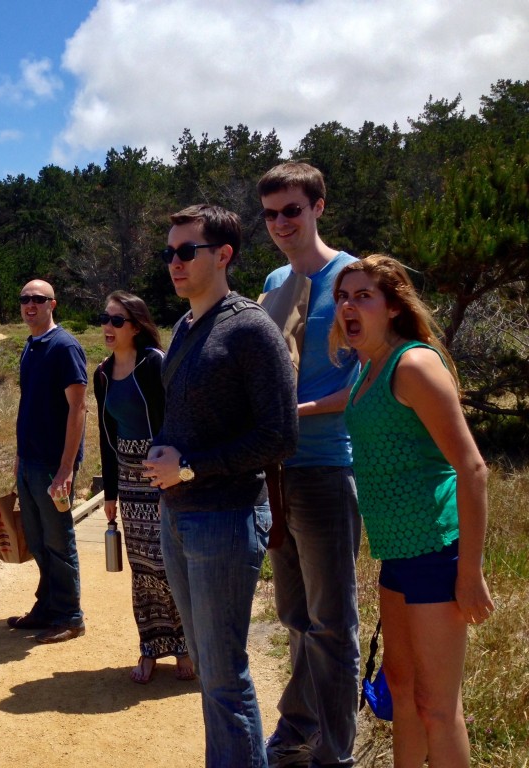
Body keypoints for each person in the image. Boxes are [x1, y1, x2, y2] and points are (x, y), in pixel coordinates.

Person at [142, 204, 298, 767]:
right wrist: (166, 451)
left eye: (187, 251)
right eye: (169, 253)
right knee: (208, 670)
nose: (174, 263)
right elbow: (186, 414)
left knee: (225, 676)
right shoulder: (185, 326)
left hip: (225, 518)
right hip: (179, 515)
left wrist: (190, 467)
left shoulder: (251, 328)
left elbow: (280, 436)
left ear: (224, 254)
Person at [332, 255, 493, 768]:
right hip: (397, 552)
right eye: (342, 297)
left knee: (437, 707)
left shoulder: (414, 364)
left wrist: (469, 573)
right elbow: (355, 405)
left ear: (394, 307)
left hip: (437, 550)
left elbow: (473, 470)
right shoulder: (369, 366)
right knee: (400, 688)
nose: (348, 307)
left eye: (363, 296)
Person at [257, 162, 362, 768]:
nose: (280, 223)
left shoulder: (350, 277)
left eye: (291, 210)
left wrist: (293, 412)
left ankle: (335, 753)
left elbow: (367, 377)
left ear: (319, 207)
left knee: (332, 623)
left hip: (325, 469)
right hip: (278, 474)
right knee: (294, 616)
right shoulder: (275, 280)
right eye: (271, 213)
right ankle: (298, 729)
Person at [92, 290, 195, 684]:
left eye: (117, 320)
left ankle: (184, 646)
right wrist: (111, 494)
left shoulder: (155, 364)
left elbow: (176, 419)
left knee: (169, 564)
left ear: (135, 326)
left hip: (160, 473)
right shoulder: (102, 373)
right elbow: (106, 435)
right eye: (105, 318)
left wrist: (177, 469)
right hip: (128, 477)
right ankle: (150, 647)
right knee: (141, 569)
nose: (108, 326)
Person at [7, 278, 89, 644]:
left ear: (53, 304)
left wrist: (66, 468)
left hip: (54, 466)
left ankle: (71, 616)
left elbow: (79, 408)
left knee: (59, 540)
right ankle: (47, 606)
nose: (30, 305)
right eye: (25, 299)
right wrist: (19, 458)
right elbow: (29, 406)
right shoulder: (31, 346)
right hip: (30, 462)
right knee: (38, 541)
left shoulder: (64, 346)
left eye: (38, 299)